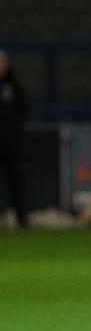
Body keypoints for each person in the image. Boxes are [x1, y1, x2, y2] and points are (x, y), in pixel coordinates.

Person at [0, 50, 29, 229]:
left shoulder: (14, 85)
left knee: (15, 181)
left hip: (10, 145)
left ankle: (21, 219)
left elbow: (23, 111)